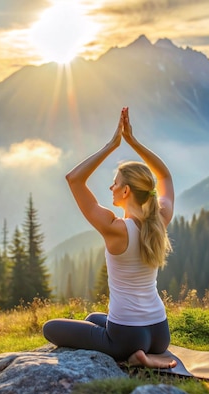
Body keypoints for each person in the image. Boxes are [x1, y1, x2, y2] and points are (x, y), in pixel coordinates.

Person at [42, 107, 177, 369]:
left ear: (126, 191)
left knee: (51, 328)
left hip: (126, 336)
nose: (110, 188)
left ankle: (137, 358)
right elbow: (165, 176)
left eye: (115, 183)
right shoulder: (160, 220)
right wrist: (135, 143)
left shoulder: (115, 228)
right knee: (93, 317)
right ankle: (149, 353)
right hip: (160, 332)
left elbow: (74, 179)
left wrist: (112, 145)